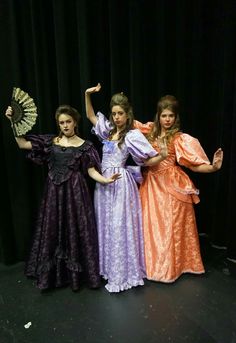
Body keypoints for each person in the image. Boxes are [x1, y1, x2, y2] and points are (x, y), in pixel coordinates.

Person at [5, 104, 120, 292]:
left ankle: (76, 277)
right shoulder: (51, 142)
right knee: (53, 228)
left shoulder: (85, 146)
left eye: (68, 122)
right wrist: (13, 121)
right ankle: (54, 275)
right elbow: (22, 144)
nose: (65, 125)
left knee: (76, 229)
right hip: (54, 195)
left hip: (76, 195)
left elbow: (91, 171)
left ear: (75, 122)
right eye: (61, 123)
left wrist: (106, 180)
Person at [85, 83, 167, 293]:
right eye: (113, 113)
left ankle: (122, 272)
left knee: (119, 225)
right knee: (105, 223)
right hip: (103, 183)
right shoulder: (107, 131)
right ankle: (108, 269)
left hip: (120, 182)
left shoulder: (132, 135)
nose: (116, 117)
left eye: (120, 113)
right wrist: (87, 95)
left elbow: (148, 160)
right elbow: (92, 117)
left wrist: (163, 155)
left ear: (127, 113)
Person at [134, 94, 223, 283]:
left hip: (171, 184)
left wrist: (213, 167)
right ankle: (150, 265)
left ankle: (172, 267)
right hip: (151, 184)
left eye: (171, 116)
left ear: (176, 117)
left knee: (169, 226)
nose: (167, 120)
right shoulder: (148, 130)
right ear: (158, 115)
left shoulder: (179, 138)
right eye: (164, 115)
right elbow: (126, 123)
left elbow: (193, 165)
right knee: (150, 226)